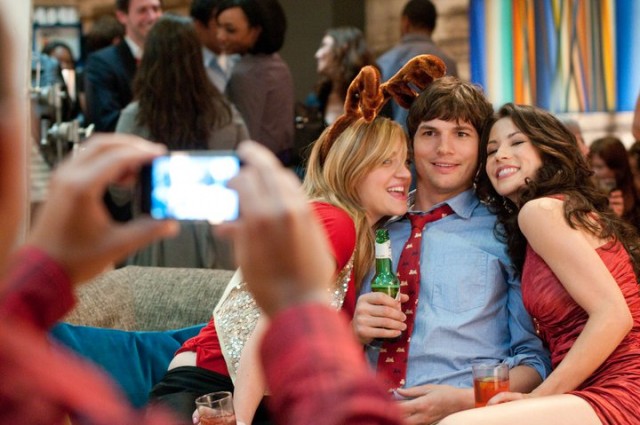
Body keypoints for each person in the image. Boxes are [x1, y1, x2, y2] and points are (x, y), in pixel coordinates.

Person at [149, 94, 412, 425]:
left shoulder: (357, 233)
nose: (404, 174)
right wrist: (240, 420)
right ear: (352, 169)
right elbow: (270, 322)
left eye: (406, 162)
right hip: (211, 388)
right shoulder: (336, 222)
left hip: (245, 393)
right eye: (387, 162)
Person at [352, 76, 550, 425]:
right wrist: (353, 333)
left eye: (461, 134)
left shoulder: (508, 231)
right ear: (411, 144)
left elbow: (534, 363)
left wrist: (466, 401)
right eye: (430, 133)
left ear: (481, 148)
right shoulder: (369, 227)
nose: (444, 148)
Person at [440, 103, 640, 425]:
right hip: (593, 386)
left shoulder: (539, 212)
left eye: (517, 142)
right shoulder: (560, 209)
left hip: (622, 386)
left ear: (548, 150)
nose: (501, 155)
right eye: (492, 150)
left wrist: (539, 397)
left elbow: (615, 315)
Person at [114, 14, 248, 269]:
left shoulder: (134, 118)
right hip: (217, 246)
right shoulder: (226, 116)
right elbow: (247, 178)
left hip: (155, 246)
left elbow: (119, 193)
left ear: (149, 59)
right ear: (197, 58)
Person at [215, 0, 294, 164]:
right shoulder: (276, 62)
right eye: (218, 27)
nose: (220, 36)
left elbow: (245, 138)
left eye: (230, 30)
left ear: (255, 31)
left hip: (259, 165)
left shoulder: (245, 72)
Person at [84, 0, 162, 133]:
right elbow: (107, 122)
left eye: (155, 9)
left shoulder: (171, 57)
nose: (152, 17)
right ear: (122, 16)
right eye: (142, 10)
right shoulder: (102, 63)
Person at [377, 0, 458, 127]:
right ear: (433, 25)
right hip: (437, 136)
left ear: (405, 22)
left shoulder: (385, 62)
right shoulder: (449, 64)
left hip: (396, 137)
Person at [313, 26, 376, 126]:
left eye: (324, 45)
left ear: (343, 49)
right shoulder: (317, 99)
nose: (317, 55)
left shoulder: (374, 101)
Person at [589, 136, 640, 230]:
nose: (594, 172)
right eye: (592, 166)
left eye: (599, 167)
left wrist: (617, 219)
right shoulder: (592, 191)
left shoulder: (634, 191)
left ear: (616, 168)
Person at [191, 0, 239, 92]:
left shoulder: (237, 58)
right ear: (199, 26)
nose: (225, 34)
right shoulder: (193, 68)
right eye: (219, 24)